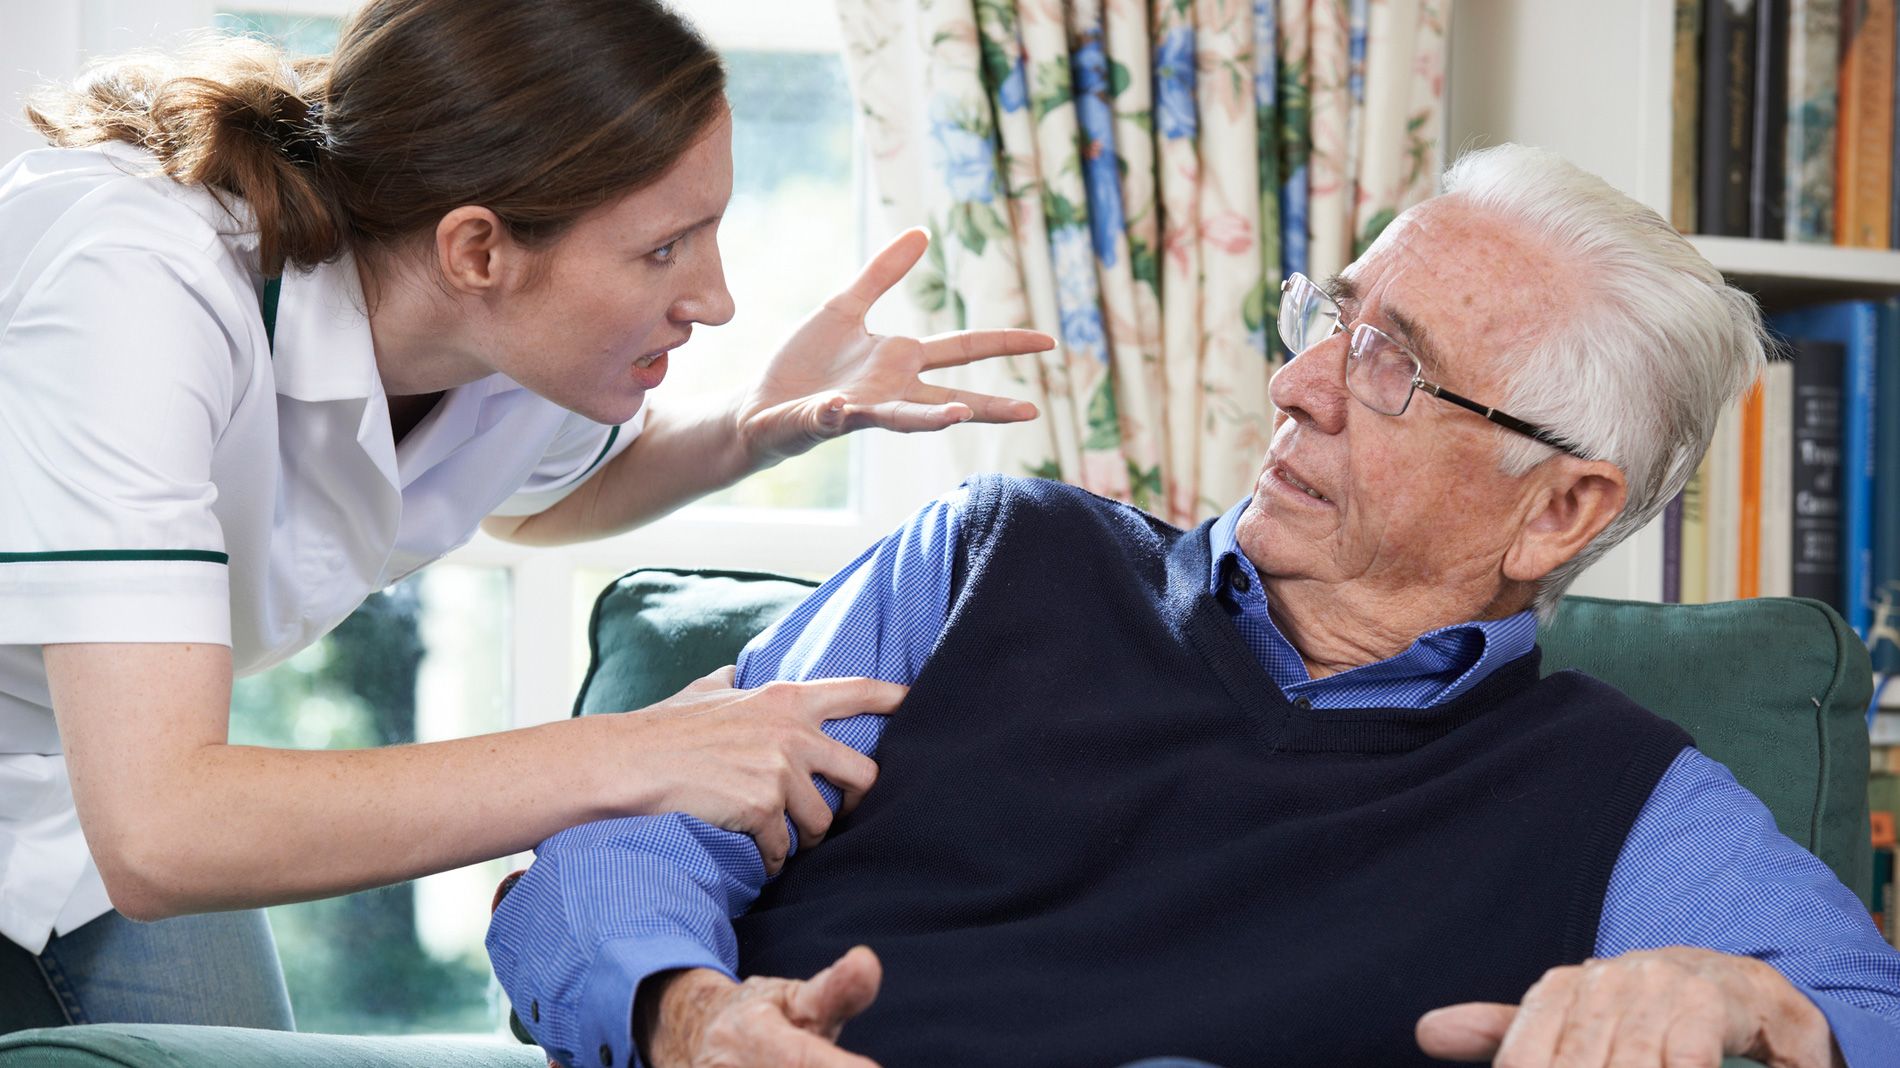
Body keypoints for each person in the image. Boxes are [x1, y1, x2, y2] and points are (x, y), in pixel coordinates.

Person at [488, 144, 1900, 1068]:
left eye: (1392, 367)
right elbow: (627, 840)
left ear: (1561, 510)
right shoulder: (981, 560)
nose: (1296, 384)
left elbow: (1862, 1012)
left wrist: (1735, 997)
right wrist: (686, 1013)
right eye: (1329, 318)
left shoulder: (1626, 795)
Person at [0, 0, 1053, 1031]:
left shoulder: (496, 337)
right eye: (664, 248)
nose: (716, 299)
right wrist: (637, 754)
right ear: (477, 250)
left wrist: (746, 428)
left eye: (710, 232)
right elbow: (164, 831)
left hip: (91, 798)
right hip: (139, 796)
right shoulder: (138, 287)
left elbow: (547, 502)